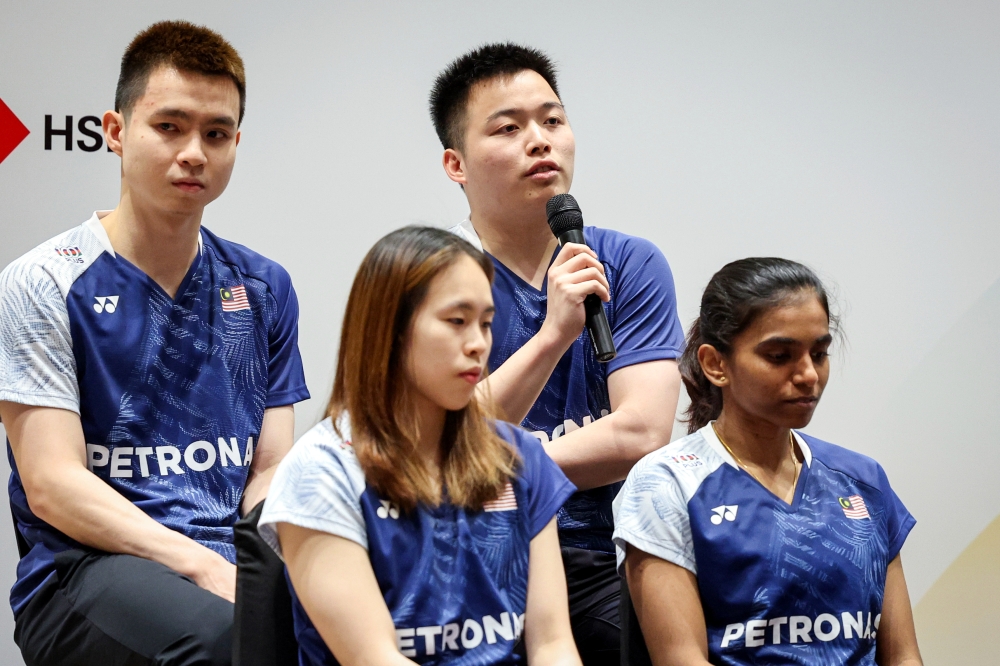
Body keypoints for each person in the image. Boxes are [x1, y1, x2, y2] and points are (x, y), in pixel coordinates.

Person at [0, 21, 309, 666]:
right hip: (85, 570)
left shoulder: (264, 286)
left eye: (216, 134)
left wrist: (271, 563)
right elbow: (53, 483)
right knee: (230, 643)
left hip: (229, 563)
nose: (194, 152)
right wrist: (204, 569)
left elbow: (270, 467)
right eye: (169, 126)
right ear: (115, 132)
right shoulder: (44, 281)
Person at [430, 43, 685, 664]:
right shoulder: (427, 277)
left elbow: (642, 434)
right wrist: (553, 334)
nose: (540, 141)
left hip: (607, 553)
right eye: (509, 128)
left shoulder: (627, 263)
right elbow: (433, 449)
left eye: (552, 120)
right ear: (456, 164)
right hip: (469, 551)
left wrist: (501, 462)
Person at [258, 226, 581, 666]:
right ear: (390, 329)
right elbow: (375, 659)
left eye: (486, 323)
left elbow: (553, 645)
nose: (479, 344)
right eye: (456, 321)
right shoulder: (321, 469)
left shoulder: (520, 458)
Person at [613, 258, 923, 665]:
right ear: (715, 364)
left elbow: (903, 657)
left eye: (820, 353)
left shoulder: (863, 480)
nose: (809, 374)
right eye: (780, 356)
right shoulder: (667, 483)